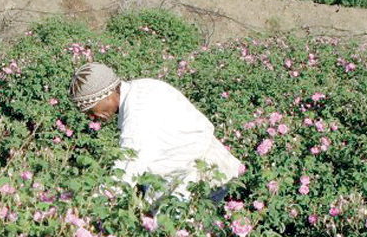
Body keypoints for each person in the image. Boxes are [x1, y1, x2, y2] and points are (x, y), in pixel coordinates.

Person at [69, 62, 242, 200]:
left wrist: (94, 202)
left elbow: (128, 168)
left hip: (199, 176)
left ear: (107, 95)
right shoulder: (141, 87)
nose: (92, 117)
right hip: (198, 167)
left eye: (92, 110)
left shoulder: (137, 115)